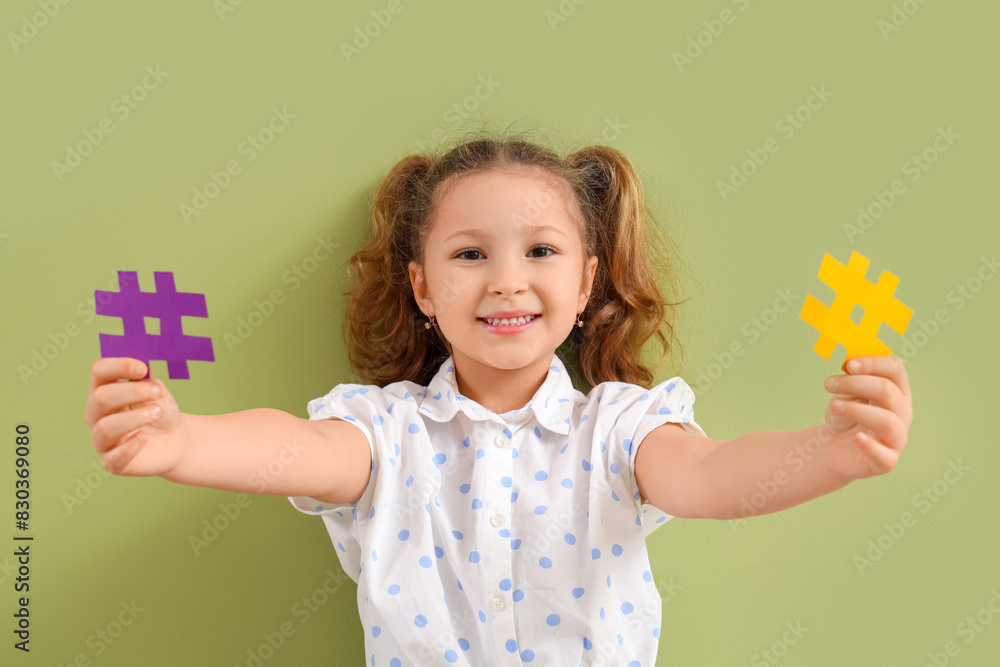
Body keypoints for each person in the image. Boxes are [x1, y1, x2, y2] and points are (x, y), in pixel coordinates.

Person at [84, 132, 913, 666]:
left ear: (586, 282)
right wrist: (180, 440)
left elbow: (713, 476)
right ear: (422, 286)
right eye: (471, 253)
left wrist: (831, 453)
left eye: (541, 250)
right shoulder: (387, 430)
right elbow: (294, 449)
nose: (507, 279)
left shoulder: (620, 427)